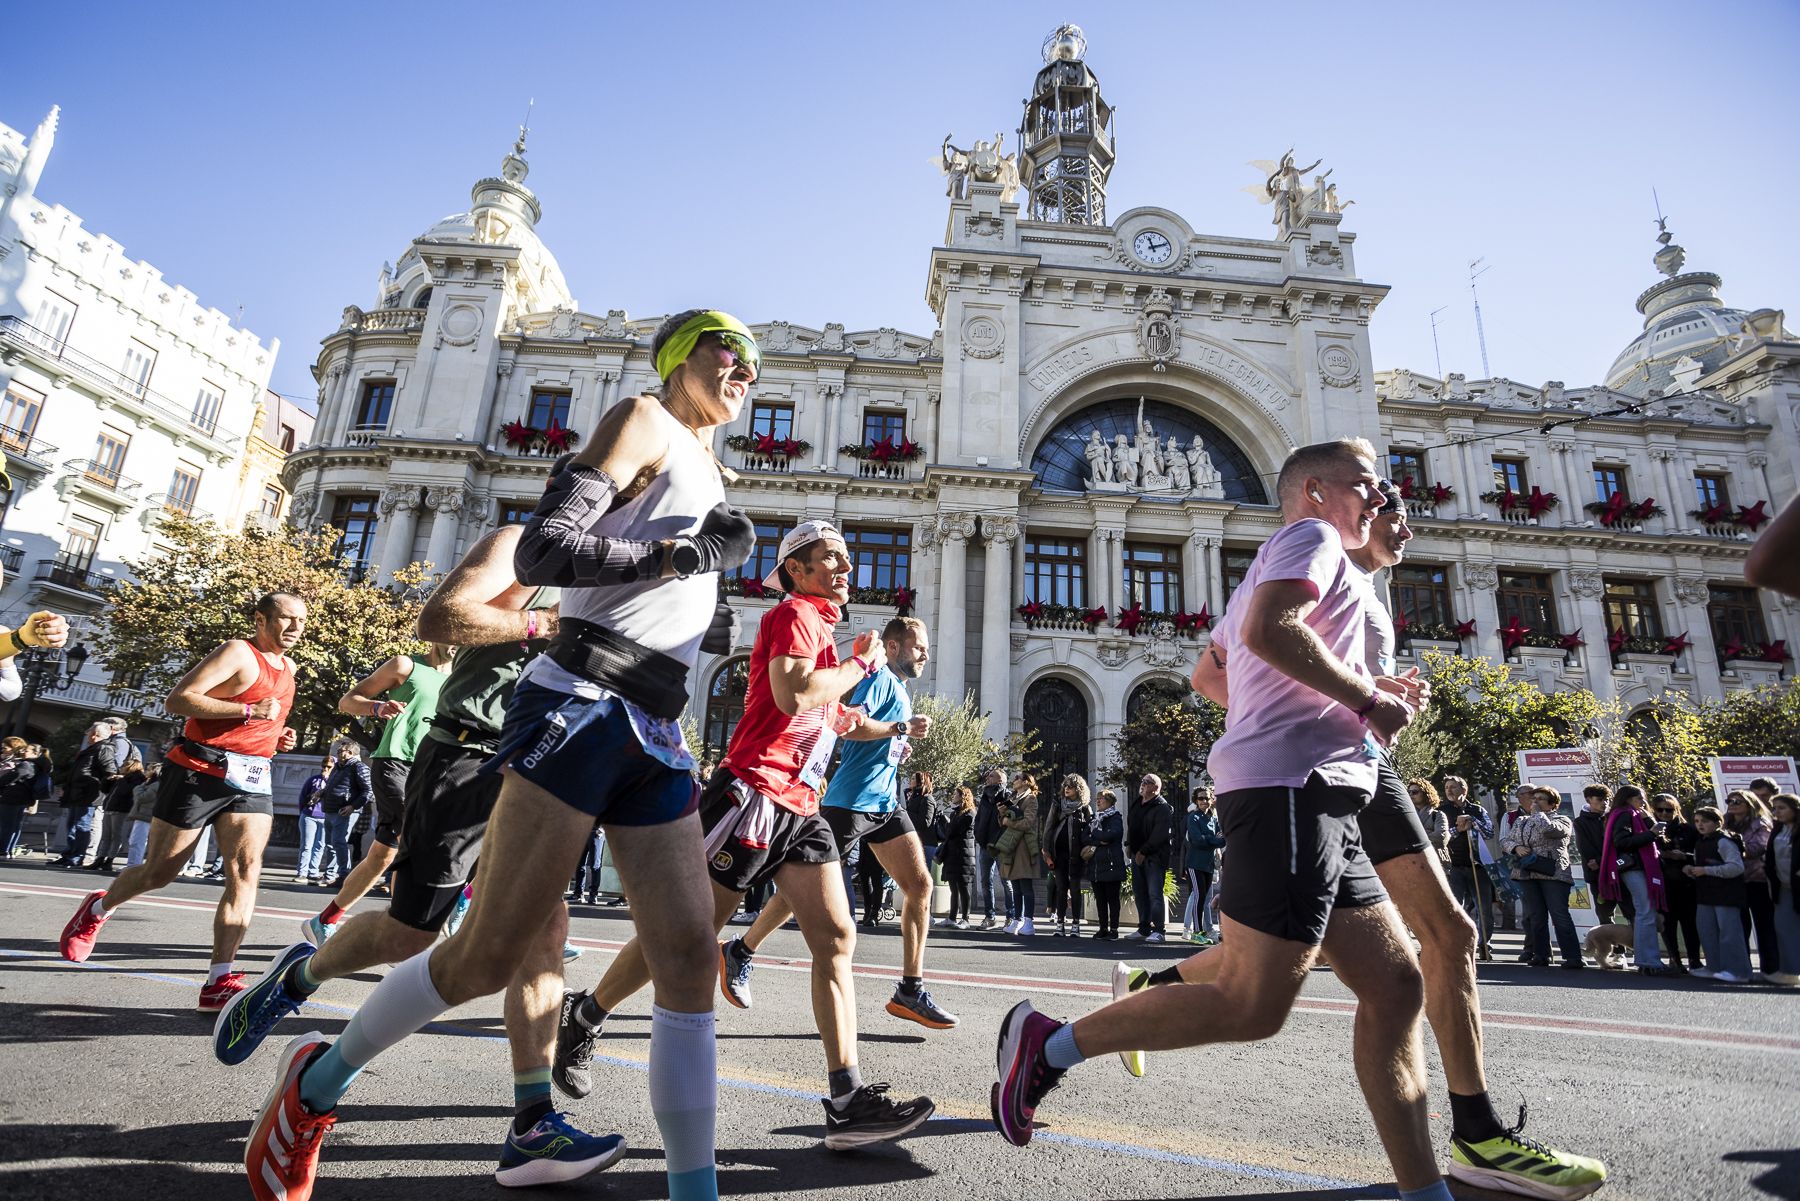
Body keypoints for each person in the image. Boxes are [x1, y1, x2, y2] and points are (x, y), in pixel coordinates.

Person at [240, 312, 768, 1201]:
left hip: (658, 726)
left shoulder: (713, 465)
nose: (744, 369)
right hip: (582, 703)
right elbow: (544, 548)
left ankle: (693, 1190)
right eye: (729, 350)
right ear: (683, 357)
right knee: (486, 955)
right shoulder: (643, 418)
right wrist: (678, 553)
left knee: (686, 960)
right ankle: (315, 1085)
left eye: (756, 363)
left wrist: (704, 555)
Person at [991, 438, 1458, 1200]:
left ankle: (1423, 1190)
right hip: (1291, 789)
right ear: (1314, 491)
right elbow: (1271, 631)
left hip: (1322, 788)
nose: (1382, 499)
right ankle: (1050, 1043)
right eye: (1366, 485)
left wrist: (1328, 698)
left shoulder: (1301, 559)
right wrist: (1364, 700)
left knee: (1397, 983)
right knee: (1251, 1002)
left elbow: (1215, 673)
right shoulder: (1310, 539)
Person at [1159, 479, 1604, 1197]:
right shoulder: (1313, 549)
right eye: (1389, 508)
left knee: (1432, 938)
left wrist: (1369, 687)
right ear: (1337, 502)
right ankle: (1476, 1136)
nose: (1401, 524)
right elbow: (1216, 670)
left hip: (1358, 762)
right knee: (1305, 970)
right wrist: (1337, 702)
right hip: (1327, 764)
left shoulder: (1358, 586)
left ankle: (1470, 1137)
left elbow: (1228, 670)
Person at [553, 519, 936, 1155]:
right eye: (829, 559)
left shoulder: (822, 628)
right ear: (796, 570)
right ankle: (584, 1015)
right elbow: (794, 695)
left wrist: (886, 728)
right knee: (690, 932)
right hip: (752, 794)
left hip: (802, 806)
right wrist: (858, 663)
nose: (845, 569)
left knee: (836, 936)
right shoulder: (792, 615)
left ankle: (846, 1099)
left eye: (846, 560)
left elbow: (834, 714)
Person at [212, 526, 562, 1097]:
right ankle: (296, 978)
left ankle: (533, 1116)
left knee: (545, 936)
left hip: (546, 766)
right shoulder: (526, 543)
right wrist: (540, 624)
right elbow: (442, 617)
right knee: (408, 935)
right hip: (468, 755)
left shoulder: (634, 571)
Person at [59, 591, 304, 1011]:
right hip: (197, 772)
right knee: (159, 872)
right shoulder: (238, 652)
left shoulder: (291, 667)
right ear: (261, 619)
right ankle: (98, 907)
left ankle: (217, 980)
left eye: (302, 620)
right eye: (287, 618)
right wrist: (247, 714)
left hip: (251, 778)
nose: (297, 627)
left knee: (245, 874)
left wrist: (274, 735)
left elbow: (265, 715)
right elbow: (179, 699)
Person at [723, 615, 954, 1028]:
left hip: (884, 802)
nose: (926, 655)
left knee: (920, 885)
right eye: (919, 647)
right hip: (848, 803)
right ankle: (741, 950)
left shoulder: (898, 687)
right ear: (895, 647)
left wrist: (897, 743)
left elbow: (879, 734)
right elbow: (848, 726)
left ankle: (910, 989)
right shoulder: (879, 678)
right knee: (798, 893)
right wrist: (899, 728)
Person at [305, 644, 455, 943]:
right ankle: (401, 930)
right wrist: (376, 707)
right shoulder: (405, 666)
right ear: (436, 632)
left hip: (434, 768)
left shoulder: (464, 676)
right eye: (453, 633)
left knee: (382, 857)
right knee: (418, 837)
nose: (458, 642)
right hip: (395, 762)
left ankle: (325, 920)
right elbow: (348, 702)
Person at [1500, 787, 1583, 969]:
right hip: (1528, 873)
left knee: (1559, 915)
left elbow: (1549, 830)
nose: (1534, 802)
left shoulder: (1562, 819)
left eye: (1540, 799)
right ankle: (1540, 954)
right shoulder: (1521, 820)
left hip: (1553, 874)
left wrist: (1538, 814)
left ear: (1553, 804)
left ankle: (1573, 957)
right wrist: (1516, 848)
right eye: (1533, 798)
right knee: (1536, 916)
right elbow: (1506, 840)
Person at [1599, 784, 1675, 975]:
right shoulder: (1625, 814)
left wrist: (1649, 821)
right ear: (1628, 798)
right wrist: (1651, 834)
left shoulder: (1633, 815)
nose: (1643, 802)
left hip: (1637, 868)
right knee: (1645, 912)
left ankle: (1645, 960)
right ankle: (1649, 961)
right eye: (1639, 798)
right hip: (1634, 868)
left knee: (1644, 912)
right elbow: (1622, 842)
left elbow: (1660, 838)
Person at [1683, 804, 1753, 984]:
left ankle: (1739, 971)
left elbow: (1736, 867)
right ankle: (1714, 966)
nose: (1700, 825)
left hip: (1726, 895)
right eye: (1697, 821)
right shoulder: (1701, 841)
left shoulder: (1724, 841)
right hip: (1705, 894)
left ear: (1717, 823)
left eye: (1705, 821)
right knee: (1707, 932)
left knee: (1730, 933)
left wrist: (1705, 870)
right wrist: (1691, 870)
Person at [54, 719, 132, 868]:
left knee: (82, 825)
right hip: (78, 792)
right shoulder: (92, 748)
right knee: (72, 825)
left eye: (89, 732)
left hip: (87, 793)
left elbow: (109, 769)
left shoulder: (104, 748)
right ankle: (69, 853)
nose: (87, 734)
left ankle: (77, 856)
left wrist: (99, 782)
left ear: (95, 734)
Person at [1725, 790, 1779, 977]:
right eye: (1729, 800)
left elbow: (1759, 848)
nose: (1732, 804)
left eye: (1737, 801)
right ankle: (1741, 968)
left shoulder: (1760, 823)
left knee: (1764, 925)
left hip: (1757, 879)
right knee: (1738, 927)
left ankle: (1770, 968)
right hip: (1734, 880)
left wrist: (1733, 849)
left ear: (1749, 803)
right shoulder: (1726, 823)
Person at [1441, 775, 1495, 960]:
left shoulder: (1477, 810)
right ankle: (1456, 944)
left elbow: (1489, 832)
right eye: (1447, 787)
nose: (1449, 791)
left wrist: (1472, 821)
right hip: (1453, 865)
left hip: (1477, 865)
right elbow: (1442, 837)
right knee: (1455, 907)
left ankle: (1484, 944)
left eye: (1453, 787)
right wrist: (1458, 829)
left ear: (1463, 790)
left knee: (1484, 908)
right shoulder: (1442, 811)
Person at [1652, 794, 1702, 974]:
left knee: (1690, 923)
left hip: (1687, 882)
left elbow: (1700, 854)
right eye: (1660, 809)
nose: (1665, 813)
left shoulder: (1688, 829)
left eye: (1669, 809)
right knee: (1668, 923)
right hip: (1663, 883)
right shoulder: (1651, 829)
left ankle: (1694, 960)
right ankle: (1674, 959)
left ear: (1676, 810)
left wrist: (1683, 856)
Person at [1123, 774, 1173, 942]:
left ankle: (1159, 930)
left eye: (1147, 782)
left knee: (1154, 894)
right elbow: (1131, 825)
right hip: (1137, 856)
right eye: (1142, 781)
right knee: (1140, 893)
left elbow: (1159, 834)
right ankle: (1144, 928)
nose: (1142, 784)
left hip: (1154, 858)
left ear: (1155, 788)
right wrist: (1129, 844)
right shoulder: (1137, 803)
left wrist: (1144, 851)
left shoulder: (1162, 807)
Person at [1573, 784, 1631, 926]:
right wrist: (1599, 861)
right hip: (1598, 874)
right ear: (1588, 800)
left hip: (1620, 869)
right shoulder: (1581, 822)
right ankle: (1614, 946)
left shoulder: (1615, 817)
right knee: (1605, 913)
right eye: (1600, 799)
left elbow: (1620, 843)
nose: (1604, 803)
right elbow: (1585, 849)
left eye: (1607, 799)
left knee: (1630, 910)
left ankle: (1635, 944)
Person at [1043, 774, 1094, 936]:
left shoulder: (1085, 807)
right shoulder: (1057, 804)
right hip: (1059, 854)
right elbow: (1049, 827)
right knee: (1061, 889)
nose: (1066, 789)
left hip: (1076, 855)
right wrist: (1046, 850)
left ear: (1078, 789)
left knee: (1075, 888)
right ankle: (1060, 923)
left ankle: (1076, 924)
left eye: (1070, 786)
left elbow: (1091, 829)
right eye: (1065, 786)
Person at [317, 744, 372, 888]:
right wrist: (321, 793)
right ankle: (331, 875)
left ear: (349, 753)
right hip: (330, 809)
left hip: (345, 810)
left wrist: (353, 806)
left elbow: (368, 790)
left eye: (340, 751)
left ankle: (344, 875)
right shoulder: (338, 766)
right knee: (331, 843)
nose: (338, 753)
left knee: (339, 842)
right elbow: (332, 786)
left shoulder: (358, 767)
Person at [997, 773, 1042, 935]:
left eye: (1017, 778)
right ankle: (1017, 920)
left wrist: (1009, 821)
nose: (1013, 781)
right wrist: (1002, 813)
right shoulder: (1014, 797)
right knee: (1015, 884)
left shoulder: (1030, 799)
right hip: (1012, 845)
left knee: (1025, 885)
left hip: (1024, 846)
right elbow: (1004, 822)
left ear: (1025, 782)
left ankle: (1029, 922)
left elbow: (1028, 822)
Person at [1763, 793, 1800, 986]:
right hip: (1783, 887)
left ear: (1795, 808)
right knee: (1784, 927)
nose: (1776, 812)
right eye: (1774, 808)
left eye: (1781, 808)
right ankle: (1791, 972)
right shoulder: (1778, 829)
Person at [1181, 789, 1224, 945]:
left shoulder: (1213, 818)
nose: (1204, 801)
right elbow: (1197, 839)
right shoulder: (1193, 817)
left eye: (1207, 798)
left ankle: (1203, 931)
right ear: (1196, 800)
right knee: (1198, 897)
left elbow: (1223, 840)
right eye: (1201, 798)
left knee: (1205, 899)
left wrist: (1209, 839)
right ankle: (1196, 932)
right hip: (1195, 863)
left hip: (1208, 863)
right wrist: (1213, 839)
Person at [91, 753, 147, 873]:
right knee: (106, 835)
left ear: (130, 767)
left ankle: (109, 859)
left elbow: (125, 792)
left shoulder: (137, 779)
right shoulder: (122, 778)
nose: (120, 767)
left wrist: (122, 780)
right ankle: (100, 858)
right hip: (110, 807)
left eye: (123, 766)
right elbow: (105, 790)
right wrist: (108, 780)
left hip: (121, 810)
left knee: (116, 836)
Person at [973, 768, 1013, 928]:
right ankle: (990, 917)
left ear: (1000, 780)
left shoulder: (1007, 796)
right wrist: (978, 834)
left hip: (1001, 845)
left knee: (1006, 881)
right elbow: (979, 818)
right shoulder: (984, 797)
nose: (987, 778)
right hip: (985, 845)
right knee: (985, 881)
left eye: (991, 776)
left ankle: (1011, 916)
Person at [1085, 788, 1127, 940]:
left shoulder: (1115, 817)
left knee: (1112, 899)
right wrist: (1099, 839)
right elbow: (1085, 837)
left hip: (1111, 865)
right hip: (1095, 865)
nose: (1097, 801)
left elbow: (1111, 835)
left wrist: (1095, 834)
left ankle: (1114, 930)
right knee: (1100, 900)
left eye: (1101, 798)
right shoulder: (1094, 818)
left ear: (1109, 801)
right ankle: (1102, 928)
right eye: (1097, 798)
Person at [937, 786, 977, 928]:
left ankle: (965, 919)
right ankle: (952, 917)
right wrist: (943, 820)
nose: (953, 796)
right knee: (953, 888)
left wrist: (943, 820)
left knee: (963, 888)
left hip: (964, 856)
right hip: (952, 855)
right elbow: (949, 831)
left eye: (956, 794)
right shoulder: (956, 814)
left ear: (963, 797)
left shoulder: (969, 814)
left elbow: (953, 831)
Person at [0, 736, 39, 858]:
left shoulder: (24, 764)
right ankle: (8, 850)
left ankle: (4, 850)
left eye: (26, 750)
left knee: (8, 825)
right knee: (12, 825)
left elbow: (9, 778)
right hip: (15, 797)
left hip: (12, 797)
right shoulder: (24, 763)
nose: (23, 751)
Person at [294, 759, 329, 884]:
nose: (325, 769)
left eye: (329, 767)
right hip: (309, 815)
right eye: (324, 766)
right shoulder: (313, 780)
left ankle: (313, 872)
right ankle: (302, 872)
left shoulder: (334, 781)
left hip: (325, 817)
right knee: (306, 845)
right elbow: (302, 796)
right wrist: (302, 811)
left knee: (320, 845)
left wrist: (327, 780)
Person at [125, 762, 161, 869]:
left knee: (137, 842)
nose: (146, 772)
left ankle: (133, 865)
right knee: (137, 841)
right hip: (144, 815)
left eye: (149, 770)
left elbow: (142, 797)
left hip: (145, 816)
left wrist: (138, 788)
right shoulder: (150, 784)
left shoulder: (155, 785)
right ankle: (134, 864)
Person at [905, 771, 938, 879]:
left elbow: (925, 822)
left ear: (921, 782)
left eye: (914, 778)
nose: (911, 780)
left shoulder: (927, 799)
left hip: (925, 843)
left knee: (922, 879)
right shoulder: (913, 798)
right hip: (915, 842)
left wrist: (906, 813)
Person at [1408, 779, 1449, 863]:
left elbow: (1440, 837)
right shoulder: (1407, 816)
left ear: (1426, 793)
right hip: (1414, 862)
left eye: (1415, 792)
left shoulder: (1438, 815)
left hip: (1437, 861)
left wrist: (1413, 838)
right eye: (1409, 792)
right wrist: (1429, 833)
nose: (1411, 795)